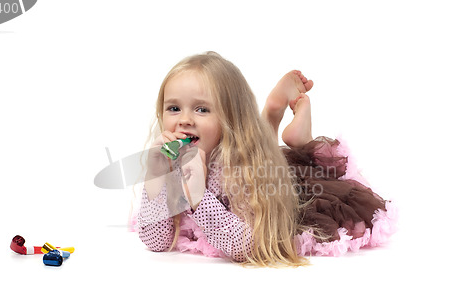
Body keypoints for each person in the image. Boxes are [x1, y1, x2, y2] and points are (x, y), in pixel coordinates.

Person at [135, 51, 396, 267]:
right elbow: (156, 241)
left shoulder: (237, 168)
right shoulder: (173, 159)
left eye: (202, 109)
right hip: (258, 159)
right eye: (174, 108)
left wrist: (198, 196)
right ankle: (272, 111)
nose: (184, 119)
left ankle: (288, 126)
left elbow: (246, 245)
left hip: (284, 188)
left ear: (230, 117)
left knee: (281, 166)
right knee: (264, 154)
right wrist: (155, 178)